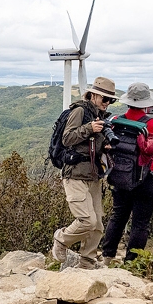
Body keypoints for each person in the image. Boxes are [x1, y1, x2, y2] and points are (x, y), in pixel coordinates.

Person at [101, 83, 153, 264]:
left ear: (127, 101)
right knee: (140, 222)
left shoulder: (115, 121)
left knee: (118, 216)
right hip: (146, 178)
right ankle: (132, 261)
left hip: (121, 175)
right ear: (146, 103)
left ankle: (107, 257)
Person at [52, 76, 116, 270]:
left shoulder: (101, 116)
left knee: (97, 225)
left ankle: (87, 262)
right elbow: (67, 138)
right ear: (94, 95)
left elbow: (91, 146)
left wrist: (105, 146)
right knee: (86, 221)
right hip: (75, 174)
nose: (107, 103)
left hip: (93, 175)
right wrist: (89, 128)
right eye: (105, 99)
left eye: (111, 100)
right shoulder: (80, 111)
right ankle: (61, 239)